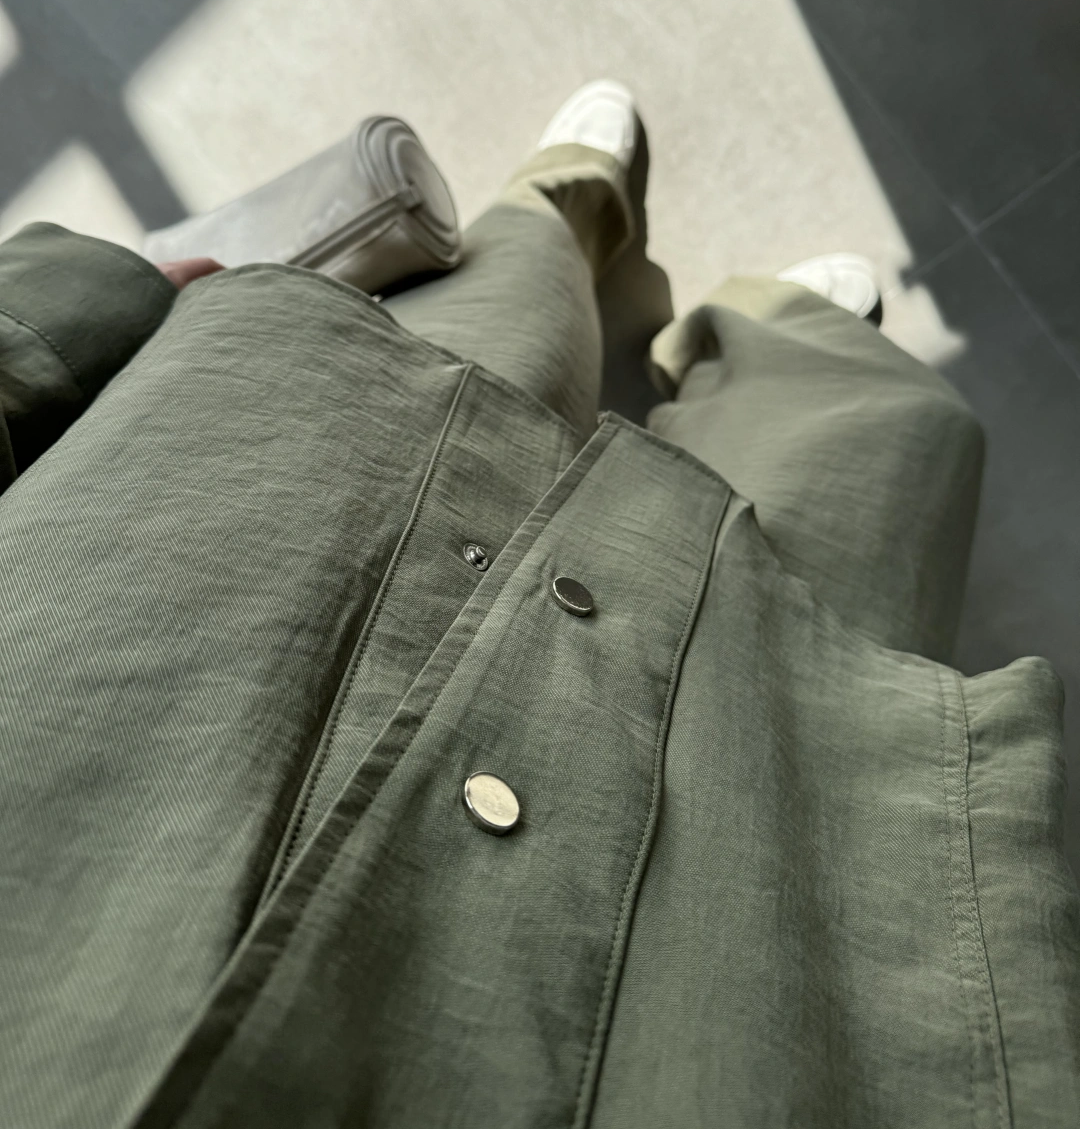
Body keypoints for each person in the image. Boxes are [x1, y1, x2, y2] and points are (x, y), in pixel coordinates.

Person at [0, 82, 1076, 1128]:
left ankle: (565, 210)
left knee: (493, 330)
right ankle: (791, 349)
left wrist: (49, 329)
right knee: (850, 496)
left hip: (185, 628)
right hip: (747, 955)